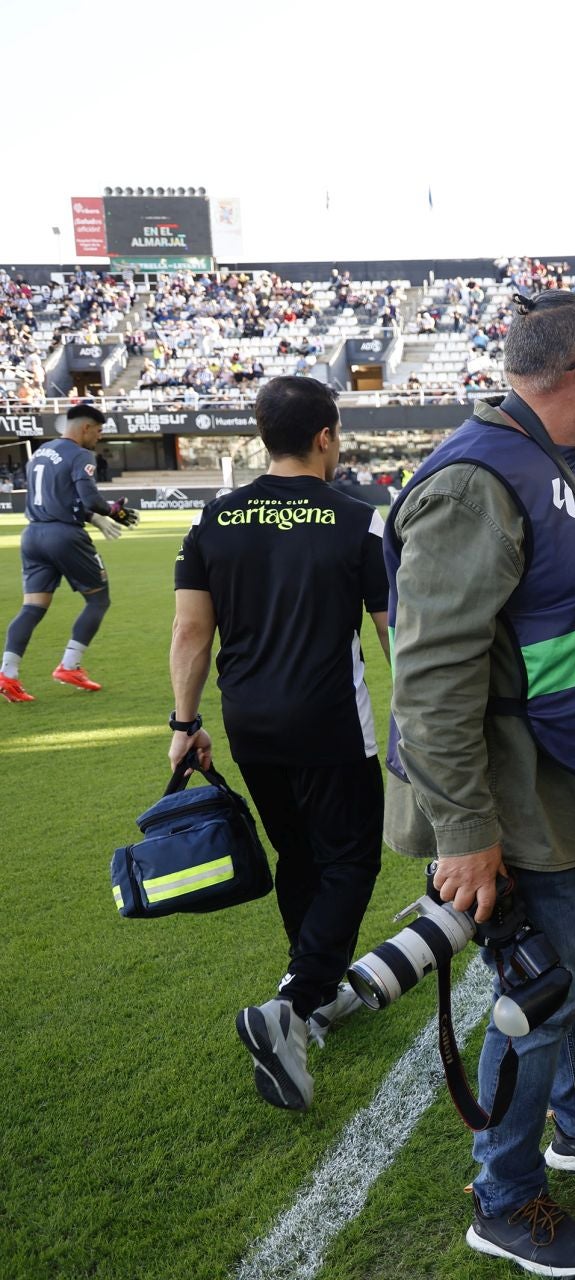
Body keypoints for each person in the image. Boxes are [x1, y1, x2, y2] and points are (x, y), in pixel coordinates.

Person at [385, 291, 575, 1276]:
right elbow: (428, 678)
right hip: (516, 798)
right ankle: (504, 1194)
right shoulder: (477, 478)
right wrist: (464, 827)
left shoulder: (558, 461)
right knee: (540, 990)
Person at [167, 376, 386, 1111]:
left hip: (249, 723)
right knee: (351, 857)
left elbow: (190, 632)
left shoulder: (213, 519)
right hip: (329, 721)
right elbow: (394, 632)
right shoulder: (358, 519)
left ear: (264, 435)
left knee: (300, 854)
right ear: (326, 436)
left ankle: (315, 993)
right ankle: (294, 1004)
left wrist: (183, 722)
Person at [2, 405, 137, 702]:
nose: (98, 439)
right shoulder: (80, 455)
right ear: (86, 428)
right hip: (64, 536)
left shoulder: (40, 453)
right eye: (99, 432)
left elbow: (59, 498)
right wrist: (116, 511)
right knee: (99, 599)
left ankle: (8, 674)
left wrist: (94, 517)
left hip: (33, 535)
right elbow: (90, 498)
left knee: (32, 608)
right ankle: (70, 665)